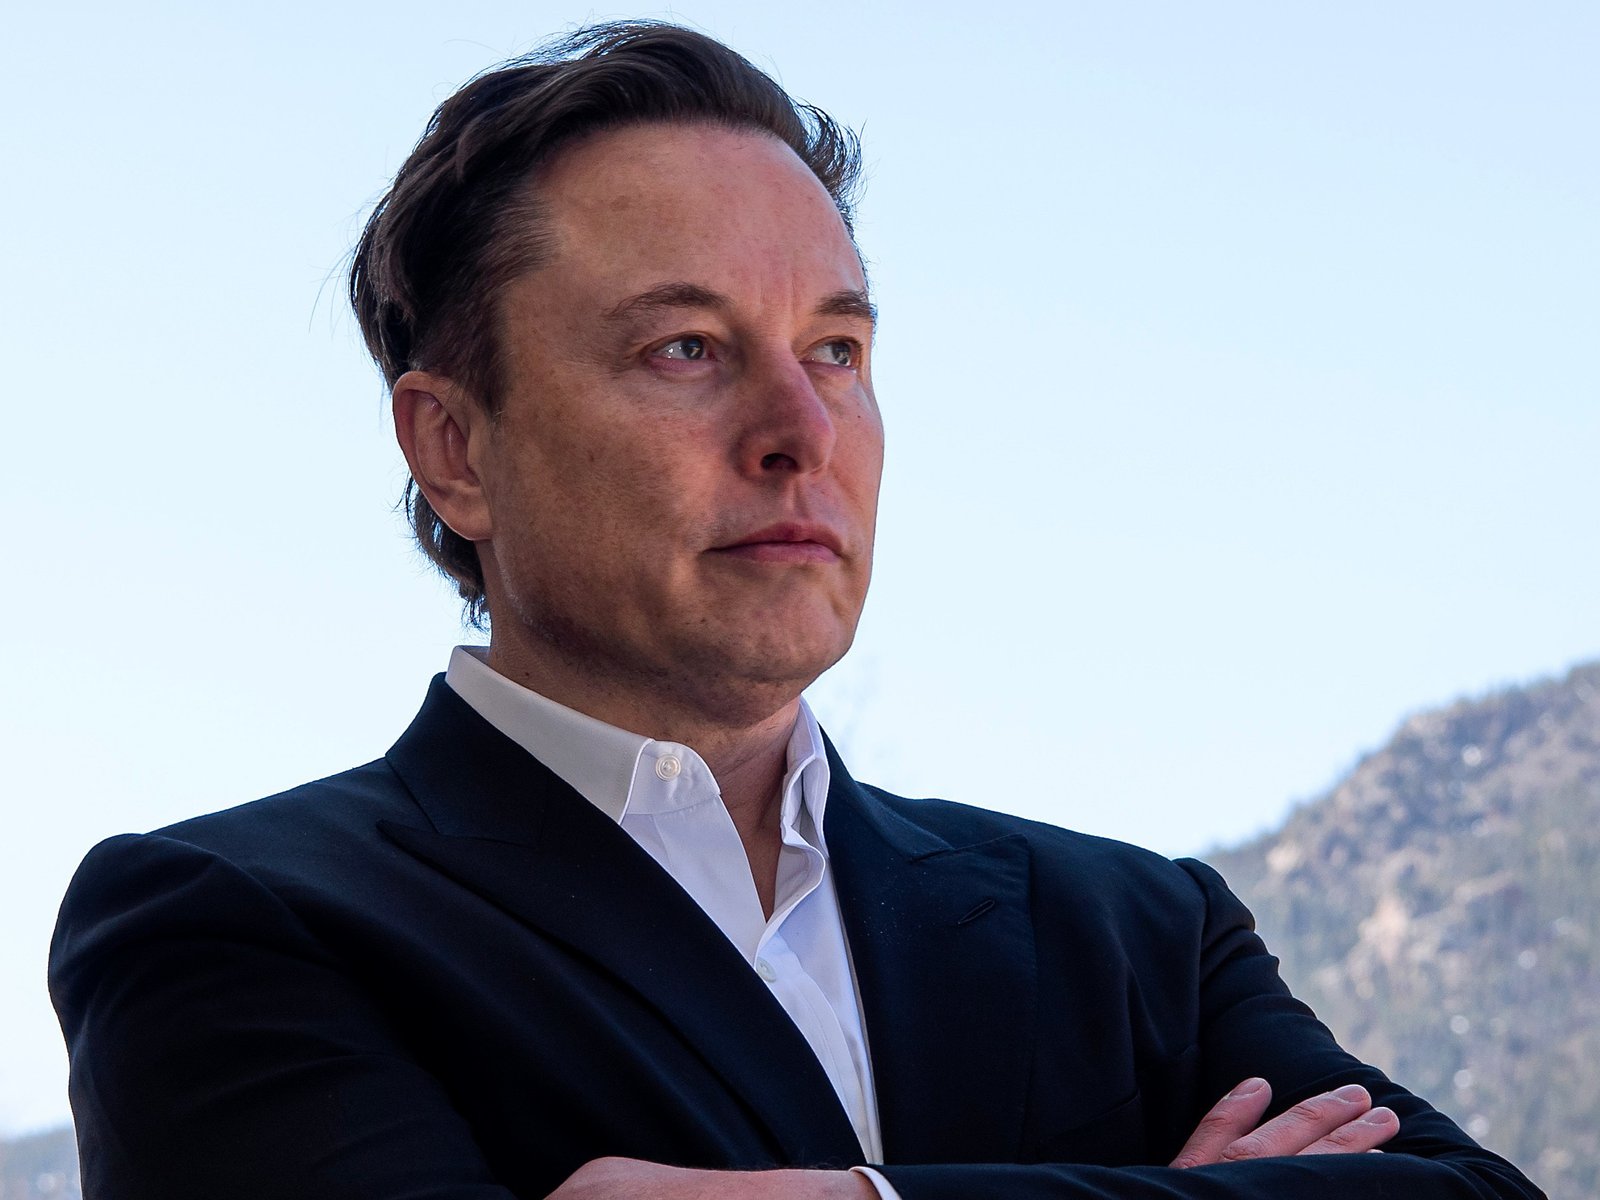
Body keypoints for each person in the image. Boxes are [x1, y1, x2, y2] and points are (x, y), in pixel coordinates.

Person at [49, 22, 1542, 1200]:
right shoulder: (232, 930)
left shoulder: (1138, 932)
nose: (798, 431)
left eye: (834, 349)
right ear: (456, 448)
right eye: (688, 347)